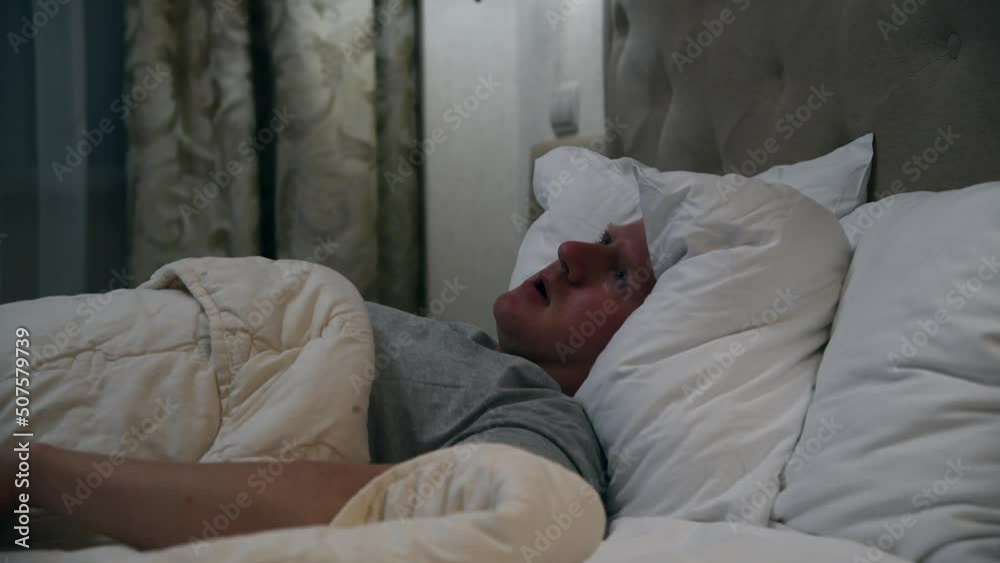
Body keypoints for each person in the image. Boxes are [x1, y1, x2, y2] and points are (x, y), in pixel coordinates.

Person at [3, 221, 656, 550]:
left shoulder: (550, 423)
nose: (572, 250)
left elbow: (477, 517)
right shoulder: (481, 359)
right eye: (601, 238)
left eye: (621, 275)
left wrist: (31, 472)